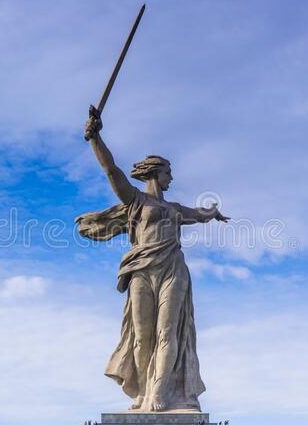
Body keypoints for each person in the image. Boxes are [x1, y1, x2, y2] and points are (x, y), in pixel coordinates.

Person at [76, 115, 229, 412]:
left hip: (173, 269)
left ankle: (159, 391)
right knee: (143, 335)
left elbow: (197, 214)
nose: (171, 178)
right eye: (168, 173)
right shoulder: (135, 201)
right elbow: (111, 170)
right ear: (155, 173)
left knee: (167, 331)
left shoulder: (173, 209)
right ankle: (143, 390)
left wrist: (212, 213)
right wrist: (95, 138)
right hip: (142, 271)